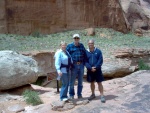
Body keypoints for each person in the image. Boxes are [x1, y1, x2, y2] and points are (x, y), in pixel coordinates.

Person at [66, 34, 87, 99]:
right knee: (72, 82)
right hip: (73, 66)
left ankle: (79, 94)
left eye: (77, 38)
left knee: (80, 81)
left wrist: (84, 63)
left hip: (81, 65)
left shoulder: (81, 46)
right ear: (73, 39)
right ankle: (71, 95)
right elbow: (66, 54)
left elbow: (85, 54)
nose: (76, 39)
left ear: (79, 39)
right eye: (75, 38)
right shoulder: (69, 46)